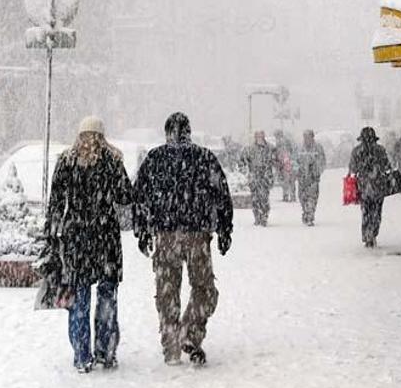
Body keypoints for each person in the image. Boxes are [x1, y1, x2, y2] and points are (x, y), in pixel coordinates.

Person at [133, 112, 233, 366]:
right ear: (189, 131)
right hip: (196, 235)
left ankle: (171, 344)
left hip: (166, 236)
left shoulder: (155, 159)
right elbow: (221, 194)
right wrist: (224, 228)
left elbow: (140, 197)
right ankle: (190, 332)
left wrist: (142, 229)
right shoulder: (203, 158)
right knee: (204, 289)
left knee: (167, 292)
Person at [45, 116, 133, 373]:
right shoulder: (112, 162)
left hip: (77, 240)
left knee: (79, 300)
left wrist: (52, 234)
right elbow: (125, 196)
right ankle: (105, 352)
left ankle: (82, 355)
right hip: (105, 239)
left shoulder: (66, 161)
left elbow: (56, 203)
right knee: (107, 298)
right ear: (102, 135)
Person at [348, 126, 392, 248]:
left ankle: (367, 233)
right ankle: (373, 233)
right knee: (376, 211)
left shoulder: (356, 151)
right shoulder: (380, 150)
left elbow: (352, 168)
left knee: (366, 210)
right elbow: (387, 166)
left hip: (363, 186)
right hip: (378, 185)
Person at [241, 130, 276, 226]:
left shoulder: (270, 148)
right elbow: (243, 160)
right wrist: (246, 168)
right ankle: (257, 217)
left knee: (264, 198)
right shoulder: (250, 149)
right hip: (254, 178)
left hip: (265, 178)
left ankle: (264, 217)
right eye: (257, 136)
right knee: (255, 199)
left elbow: (276, 160)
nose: (259, 138)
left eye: (261, 136)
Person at [296, 129, 326, 226]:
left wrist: (317, 172)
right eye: (305, 137)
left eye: (308, 137)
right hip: (302, 178)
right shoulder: (299, 148)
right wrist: (296, 171)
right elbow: (295, 161)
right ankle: (305, 211)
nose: (306, 139)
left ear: (312, 137)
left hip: (313, 178)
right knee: (302, 197)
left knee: (312, 198)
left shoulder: (318, 148)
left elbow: (322, 162)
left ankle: (310, 215)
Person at [273, 130, 297, 202]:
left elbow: (279, 154)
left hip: (286, 164)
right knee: (290, 181)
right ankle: (292, 196)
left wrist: (279, 161)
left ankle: (287, 196)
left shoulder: (281, 143)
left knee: (287, 181)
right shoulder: (285, 142)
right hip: (288, 164)